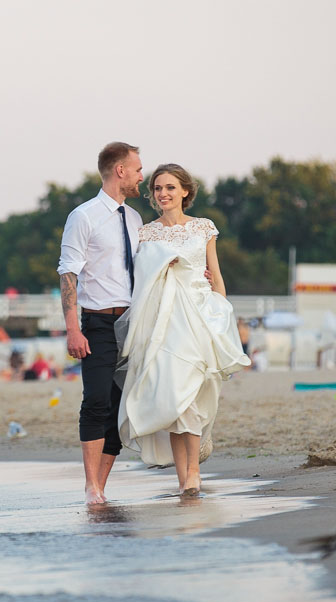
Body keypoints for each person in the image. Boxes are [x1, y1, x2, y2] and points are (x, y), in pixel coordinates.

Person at [117, 163, 250, 496]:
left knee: (194, 395)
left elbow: (216, 277)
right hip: (162, 322)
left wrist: (222, 321)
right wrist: (161, 264)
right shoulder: (147, 233)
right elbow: (140, 280)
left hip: (199, 319)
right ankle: (187, 478)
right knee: (176, 401)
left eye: (170, 187)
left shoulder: (203, 228)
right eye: (158, 188)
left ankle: (194, 469)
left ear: (185, 191)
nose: (163, 194)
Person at [58, 141, 144, 505]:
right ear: (119, 171)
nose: (143, 176)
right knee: (95, 401)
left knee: (118, 406)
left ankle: (102, 487)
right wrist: (72, 328)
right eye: (138, 169)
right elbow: (68, 274)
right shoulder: (84, 216)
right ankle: (90, 486)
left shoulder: (136, 219)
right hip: (96, 323)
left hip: (133, 323)